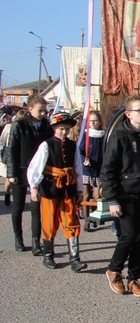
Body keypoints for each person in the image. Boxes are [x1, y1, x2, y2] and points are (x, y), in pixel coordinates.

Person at [102, 95, 140, 297]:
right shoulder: (119, 136)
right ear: (128, 114)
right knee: (129, 235)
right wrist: (112, 199)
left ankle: (134, 278)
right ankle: (114, 270)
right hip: (125, 195)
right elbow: (107, 170)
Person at [26, 112, 86, 271]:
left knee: (71, 221)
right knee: (49, 222)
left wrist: (80, 190)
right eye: (61, 129)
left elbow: (77, 168)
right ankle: (48, 255)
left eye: (66, 129)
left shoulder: (72, 145)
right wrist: (33, 187)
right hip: (50, 188)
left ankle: (75, 258)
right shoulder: (46, 145)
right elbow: (35, 167)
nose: (64, 132)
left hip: (68, 188)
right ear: (54, 128)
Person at [6, 96, 53, 254]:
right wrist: (11, 173)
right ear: (30, 109)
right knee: (18, 206)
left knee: (36, 208)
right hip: (20, 170)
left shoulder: (47, 126)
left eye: (45, 111)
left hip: (38, 172)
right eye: (40, 110)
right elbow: (11, 149)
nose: (43, 114)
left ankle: (36, 241)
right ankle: (18, 238)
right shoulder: (19, 125)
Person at [79, 111, 105, 227]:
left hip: (99, 169)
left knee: (96, 195)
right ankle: (86, 220)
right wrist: (84, 158)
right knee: (86, 195)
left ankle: (94, 216)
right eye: (91, 120)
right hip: (87, 169)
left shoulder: (103, 135)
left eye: (95, 120)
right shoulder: (85, 135)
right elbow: (80, 150)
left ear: (99, 122)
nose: (93, 123)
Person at [1, 111, 26, 207]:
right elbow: (2, 141)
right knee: (8, 179)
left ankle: (18, 197)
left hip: (22, 155)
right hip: (10, 154)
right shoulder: (9, 127)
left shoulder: (28, 128)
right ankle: (7, 194)